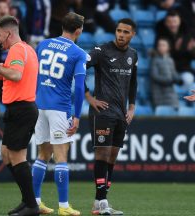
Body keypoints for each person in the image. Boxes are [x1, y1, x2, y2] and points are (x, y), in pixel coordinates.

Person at [31, 12, 86, 216]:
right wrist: (77, 116)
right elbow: (79, 88)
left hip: (39, 104)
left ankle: (35, 202)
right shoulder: (78, 52)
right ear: (79, 31)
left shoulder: (43, 45)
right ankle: (63, 206)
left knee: (42, 155)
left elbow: (34, 74)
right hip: (59, 107)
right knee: (61, 156)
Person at [84, 18, 138, 215]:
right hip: (102, 112)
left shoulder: (133, 54)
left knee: (112, 157)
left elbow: (133, 83)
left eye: (126, 32)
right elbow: (80, 68)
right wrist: (89, 97)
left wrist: (131, 108)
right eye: (119, 31)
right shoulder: (101, 51)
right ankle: (102, 201)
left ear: (133, 35)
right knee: (102, 154)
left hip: (120, 114)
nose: (121, 35)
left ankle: (99, 204)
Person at [0, 15, 39, 216]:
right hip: (17, 109)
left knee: (17, 157)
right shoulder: (27, 49)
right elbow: (18, 75)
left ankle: (31, 206)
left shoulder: (17, 49)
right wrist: (0, 75)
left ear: (8, 33)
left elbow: (17, 74)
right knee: (6, 155)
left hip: (22, 109)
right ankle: (27, 200)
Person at [150, 37, 183, 109]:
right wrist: (168, 80)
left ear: (168, 48)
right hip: (159, 92)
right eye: (159, 45)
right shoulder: (155, 60)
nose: (161, 47)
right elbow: (155, 76)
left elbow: (174, 73)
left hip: (170, 92)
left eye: (163, 45)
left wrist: (179, 79)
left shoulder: (170, 60)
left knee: (174, 110)